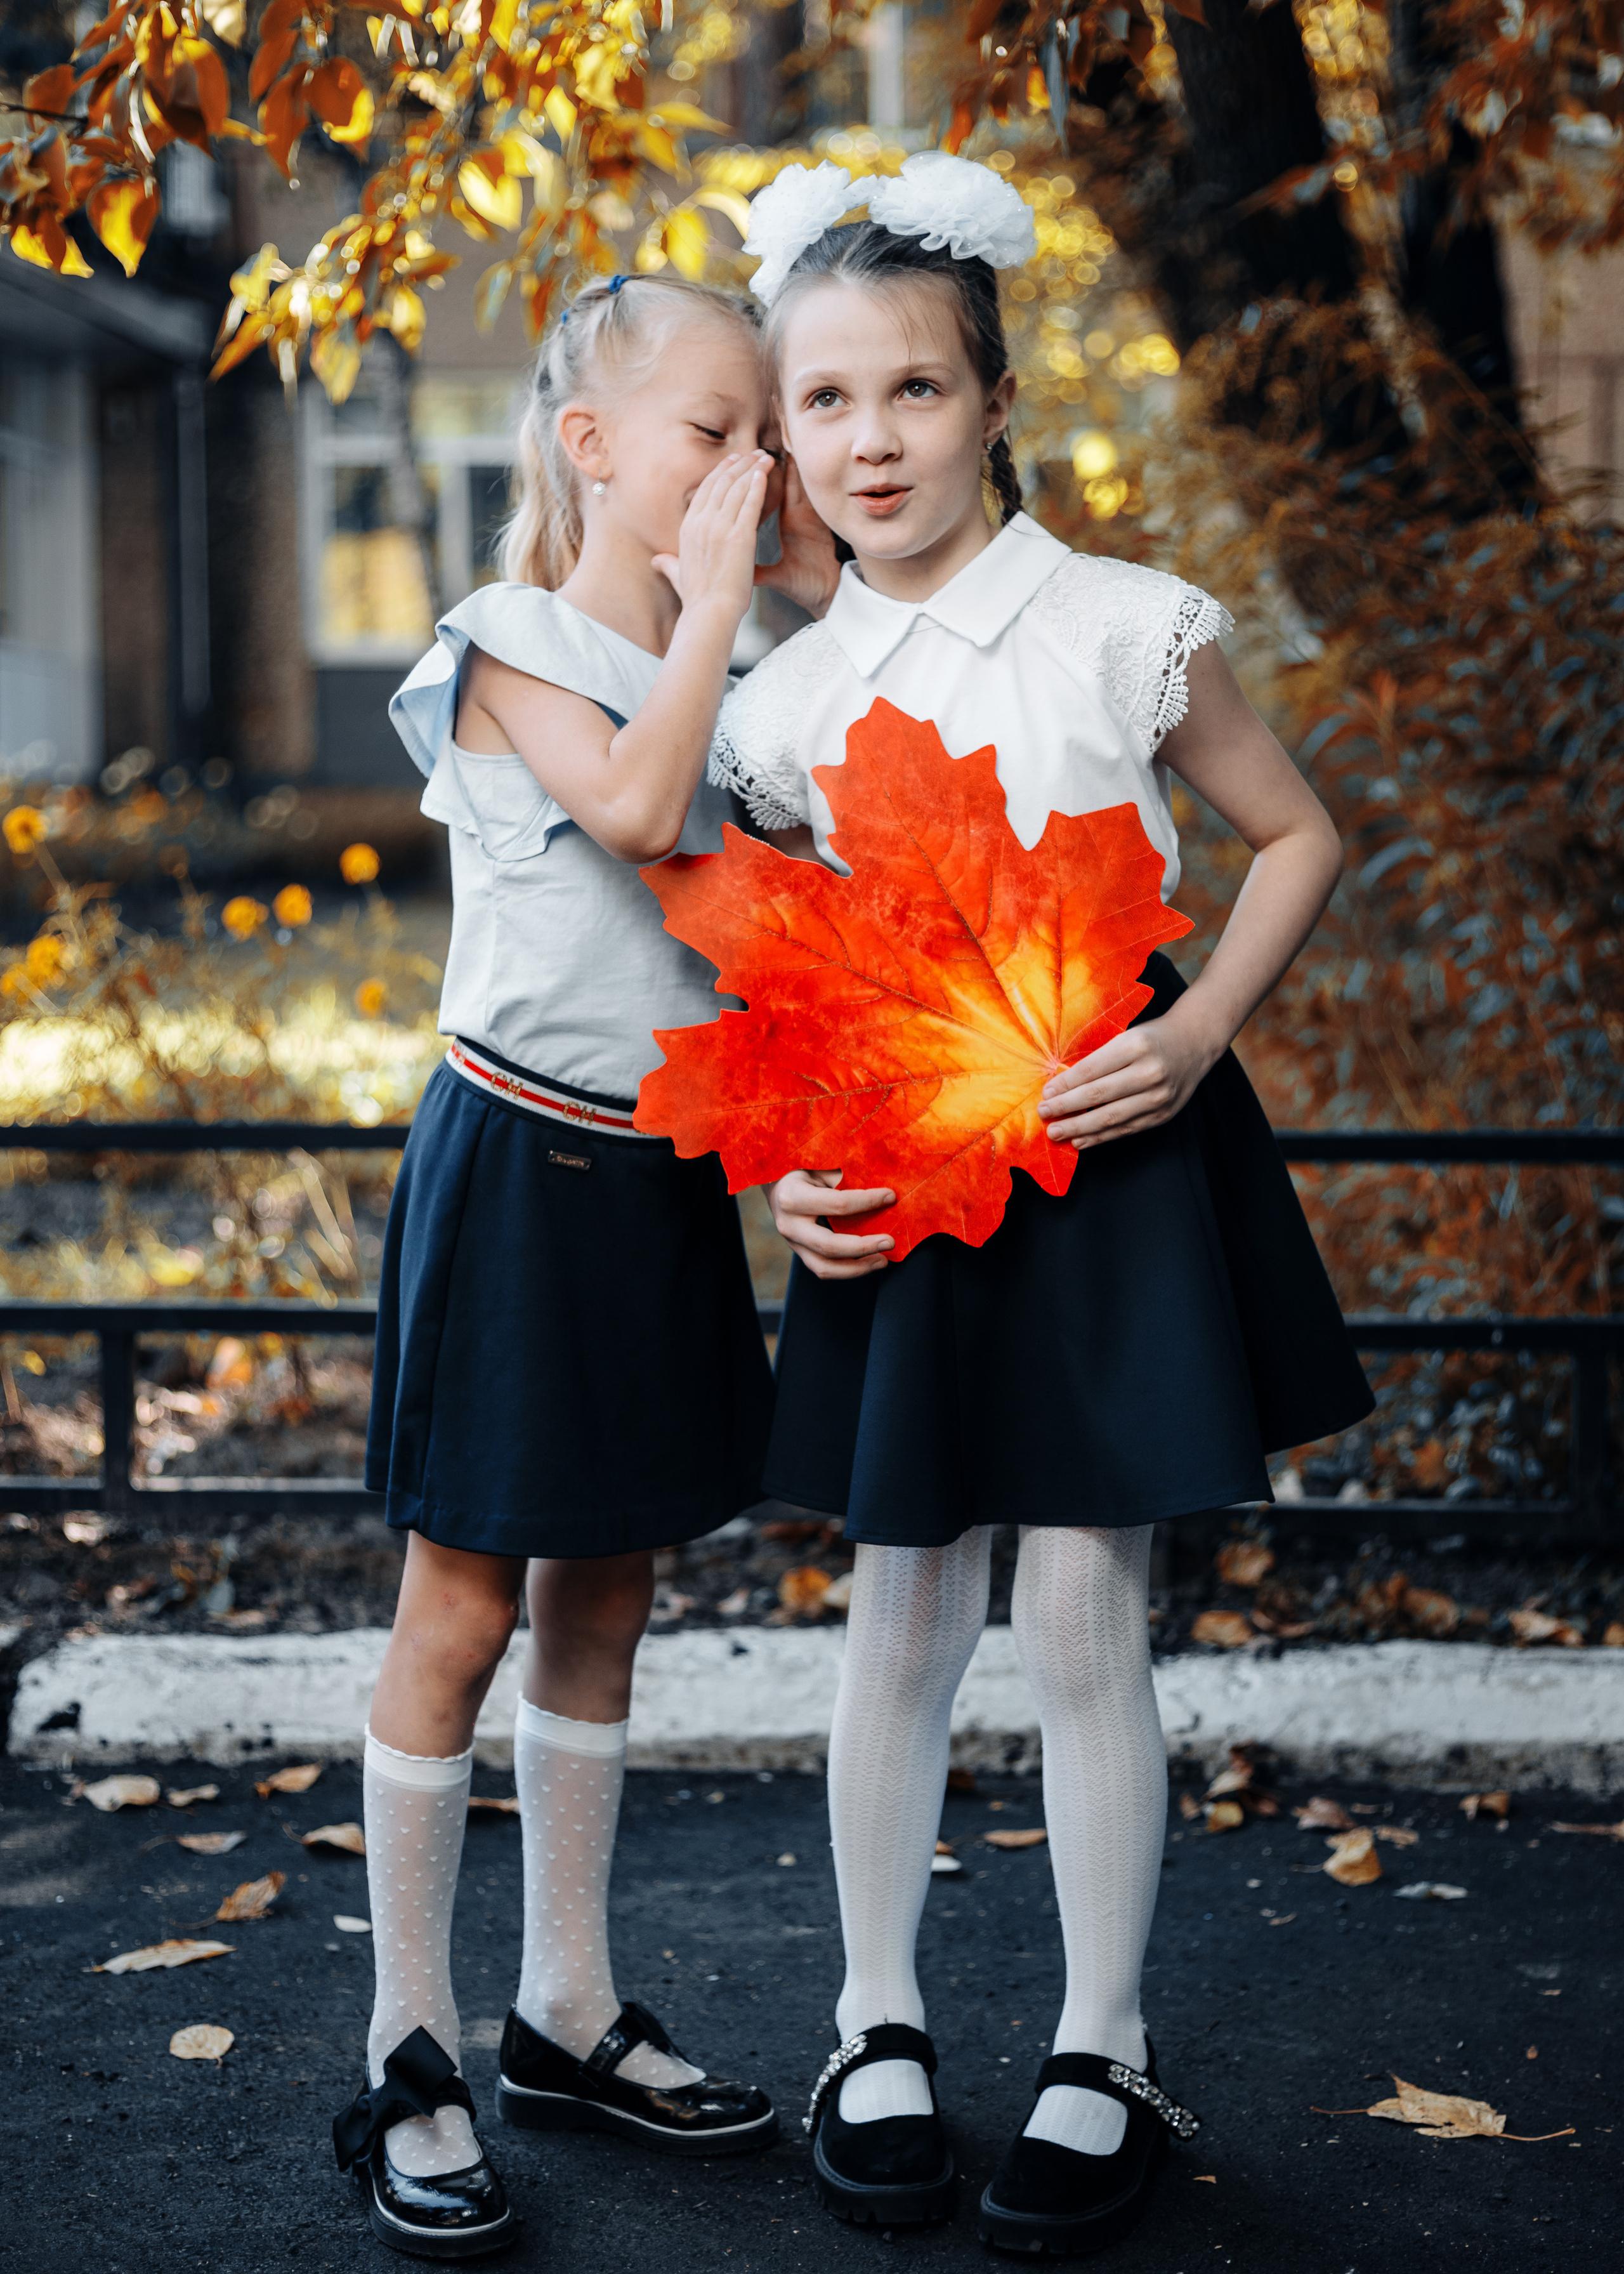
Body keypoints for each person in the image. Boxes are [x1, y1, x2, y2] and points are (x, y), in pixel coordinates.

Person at [709, 154, 1375, 2256]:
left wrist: (1193, 1043)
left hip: (1110, 1138)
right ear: (786, 433)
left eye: (915, 391)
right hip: (906, 1166)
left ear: (996, 397)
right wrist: (799, 1172)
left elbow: (1293, 840)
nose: (872, 440)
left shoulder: (1125, 626)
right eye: (826, 404)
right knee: (903, 1605)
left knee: (1085, 1611)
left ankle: (1106, 2043)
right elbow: (793, 984)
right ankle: (873, 2020)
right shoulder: (780, 707)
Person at [335, 271, 833, 2259]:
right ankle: (408, 2048)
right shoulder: (506, 643)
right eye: (712, 431)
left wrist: (773, 589)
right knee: (459, 1609)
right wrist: (726, 600)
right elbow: (635, 806)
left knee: (603, 1607)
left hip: (660, 1182)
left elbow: (776, 931)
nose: (746, 470)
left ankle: (559, 2011)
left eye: (759, 440)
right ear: (594, 445)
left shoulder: (763, 666)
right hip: (516, 1165)